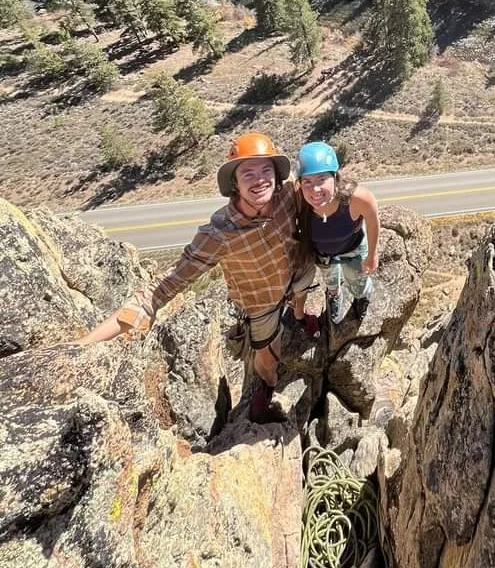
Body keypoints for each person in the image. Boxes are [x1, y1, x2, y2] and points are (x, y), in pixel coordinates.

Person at [78, 132, 320, 423]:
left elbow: (325, 190)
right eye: (248, 173)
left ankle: (298, 312)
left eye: (266, 170)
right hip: (261, 302)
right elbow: (161, 290)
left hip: (293, 273)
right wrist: (81, 349)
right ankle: (263, 397)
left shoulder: (287, 198)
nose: (260, 180)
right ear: (235, 183)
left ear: (277, 175)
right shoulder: (219, 234)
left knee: (308, 271)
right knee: (269, 359)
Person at [296, 141, 380, 326]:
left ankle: (361, 297)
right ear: (300, 184)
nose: (315, 190)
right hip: (323, 254)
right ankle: (334, 295)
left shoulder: (356, 199)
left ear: (335, 177)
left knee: (357, 283)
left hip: (353, 249)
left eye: (321, 179)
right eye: (307, 182)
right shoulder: (299, 200)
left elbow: (373, 221)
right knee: (331, 282)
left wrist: (372, 255)